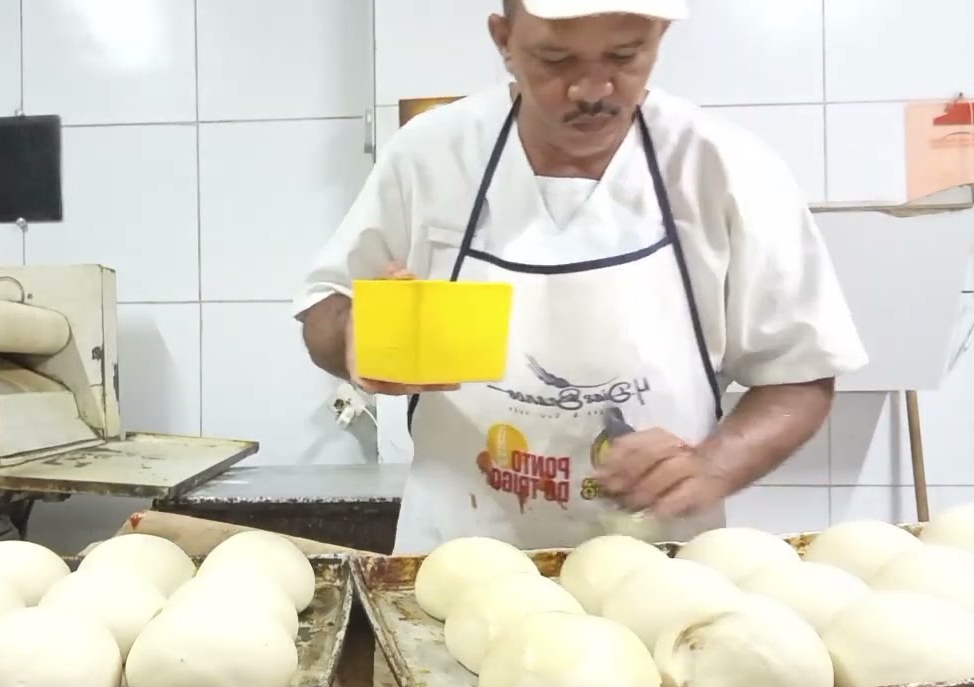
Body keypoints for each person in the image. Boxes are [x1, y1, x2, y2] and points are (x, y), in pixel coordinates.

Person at [294, 0, 867, 554]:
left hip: (659, 562)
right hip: (458, 553)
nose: (591, 90)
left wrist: (714, 465)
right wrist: (353, 340)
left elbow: (800, 376)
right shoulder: (431, 155)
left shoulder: (725, 167)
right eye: (556, 59)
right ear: (503, 40)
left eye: (624, 56)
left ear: (659, 37)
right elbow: (326, 308)